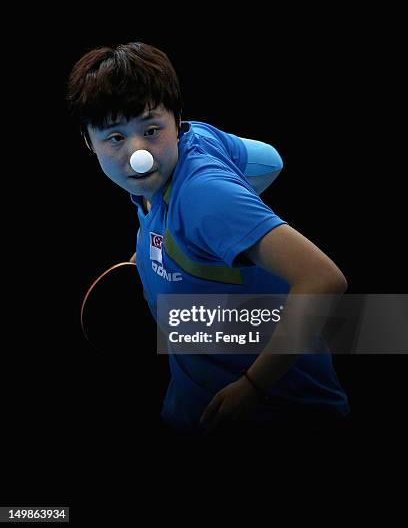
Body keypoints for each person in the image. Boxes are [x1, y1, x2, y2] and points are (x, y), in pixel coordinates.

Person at [69, 42, 350, 439]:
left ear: (176, 120)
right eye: (115, 137)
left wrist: (254, 386)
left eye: (151, 130)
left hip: (278, 420)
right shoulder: (195, 139)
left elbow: (324, 279)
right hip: (189, 405)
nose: (138, 155)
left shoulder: (205, 196)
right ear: (88, 141)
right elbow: (271, 160)